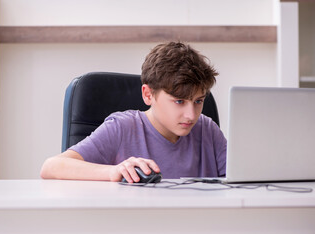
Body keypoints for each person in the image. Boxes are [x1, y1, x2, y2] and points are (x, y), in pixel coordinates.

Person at [40, 41, 227, 183]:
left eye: (198, 101)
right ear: (148, 94)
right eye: (179, 101)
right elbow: (50, 167)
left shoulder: (207, 129)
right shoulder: (122, 127)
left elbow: (247, 178)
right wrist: (113, 171)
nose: (191, 115)